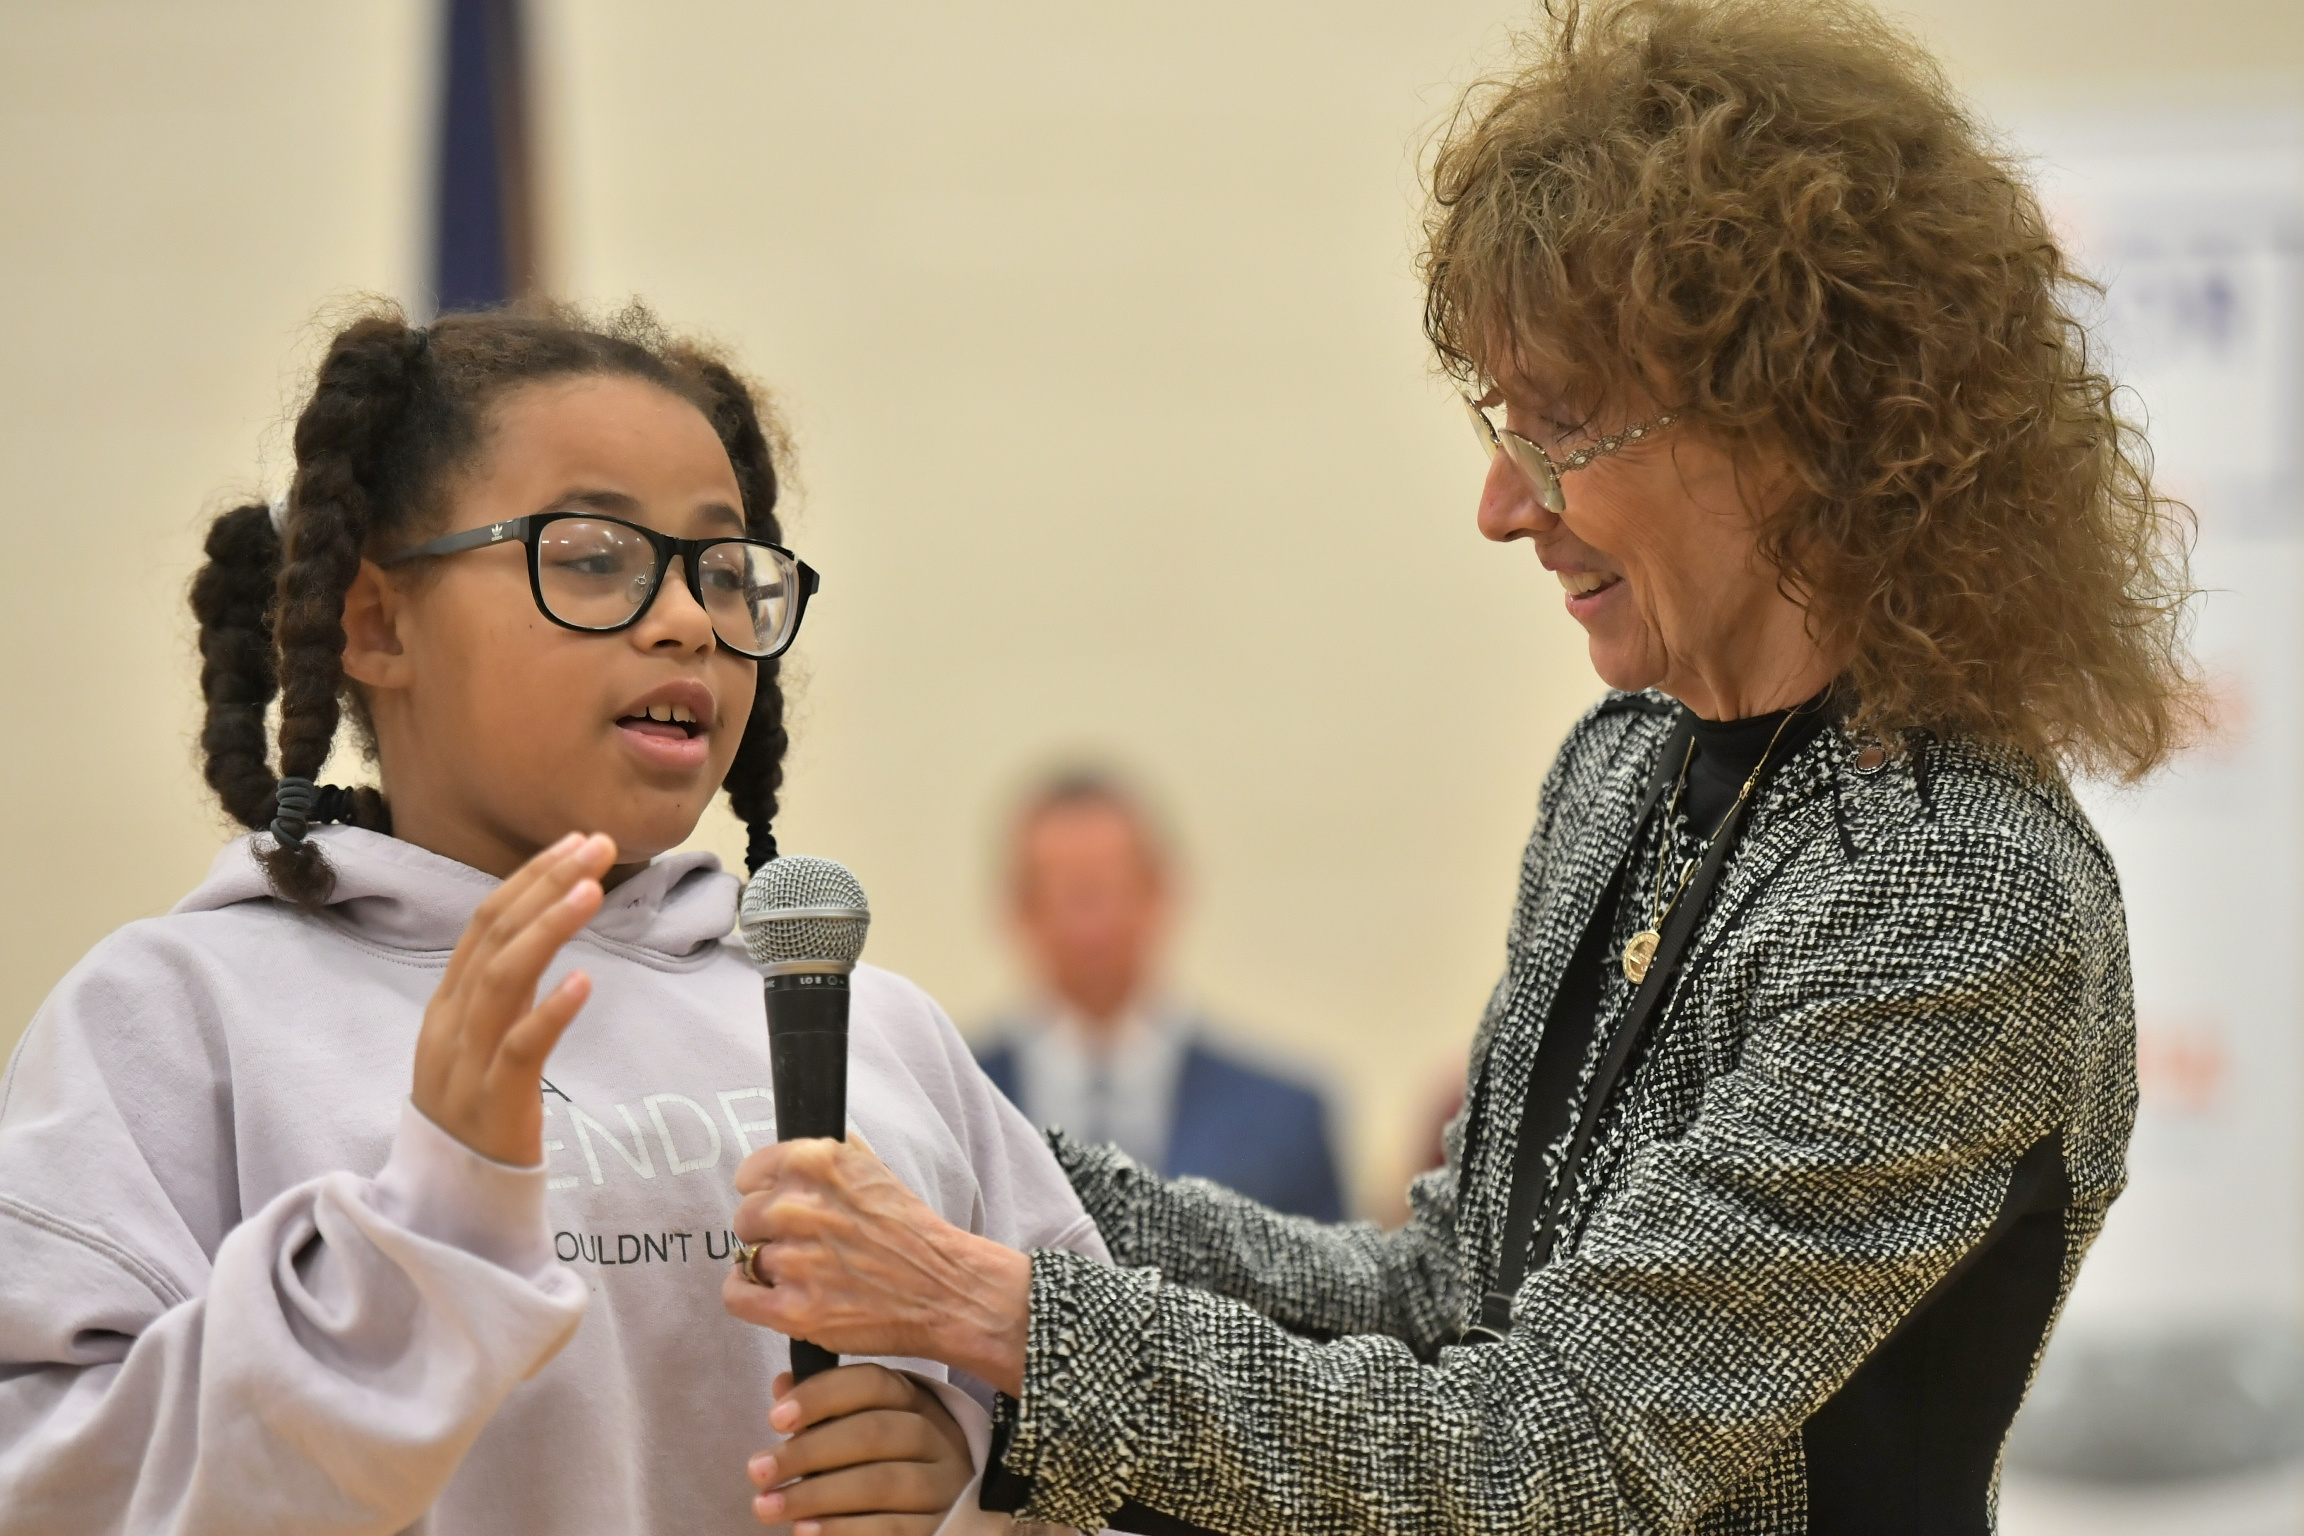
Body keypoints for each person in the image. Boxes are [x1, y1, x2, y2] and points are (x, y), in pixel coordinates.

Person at [719, 1, 2197, 1531]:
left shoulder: (1954, 890)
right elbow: (1439, 1297)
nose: (1504, 502)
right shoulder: (1628, 769)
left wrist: (1004, 1311)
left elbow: (1553, 1451)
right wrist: (962, 1141)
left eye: (1560, 424)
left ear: (1792, 423)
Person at [0, 303, 1106, 1535]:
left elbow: (1114, 1439)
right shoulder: (179, 1019)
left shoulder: (877, 1032)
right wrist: (425, 1235)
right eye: (592, 556)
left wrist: (980, 1491)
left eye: (725, 570)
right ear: (377, 622)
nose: (688, 617)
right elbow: (54, 1492)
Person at [973, 772, 1346, 1221]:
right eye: (1067, 895)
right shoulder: (946, 1111)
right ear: (1018, 909)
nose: (1090, 924)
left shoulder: (1283, 1121)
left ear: (1162, 893)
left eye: (1110, 890)